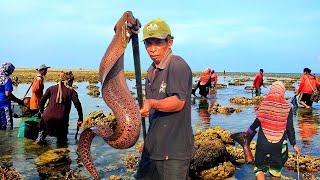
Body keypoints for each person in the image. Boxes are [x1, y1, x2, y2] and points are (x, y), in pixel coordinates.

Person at [135, 18, 194, 180]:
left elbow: (178, 102)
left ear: (170, 42)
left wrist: (151, 103)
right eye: (148, 43)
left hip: (174, 151)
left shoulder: (177, 65)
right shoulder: (151, 71)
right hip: (152, 148)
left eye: (158, 42)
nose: (152, 49)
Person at [246, 81, 300, 180]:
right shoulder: (287, 107)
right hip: (279, 146)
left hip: (263, 144)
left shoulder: (264, 104)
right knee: (276, 172)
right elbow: (290, 129)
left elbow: (255, 124)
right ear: (282, 91)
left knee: (259, 169)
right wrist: (294, 144)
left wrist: (247, 134)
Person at [35, 71, 83, 145]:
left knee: (40, 140)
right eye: (72, 81)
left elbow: (41, 102)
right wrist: (80, 119)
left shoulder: (51, 88)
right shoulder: (71, 91)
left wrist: (41, 112)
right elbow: (78, 105)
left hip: (46, 118)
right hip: (61, 121)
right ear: (69, 81)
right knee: (62, 143)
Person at [0, 62, 24, 130]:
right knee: (8, 127)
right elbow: (8, 94)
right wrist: (18, 100)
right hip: (4, 106)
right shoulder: (7, 79)